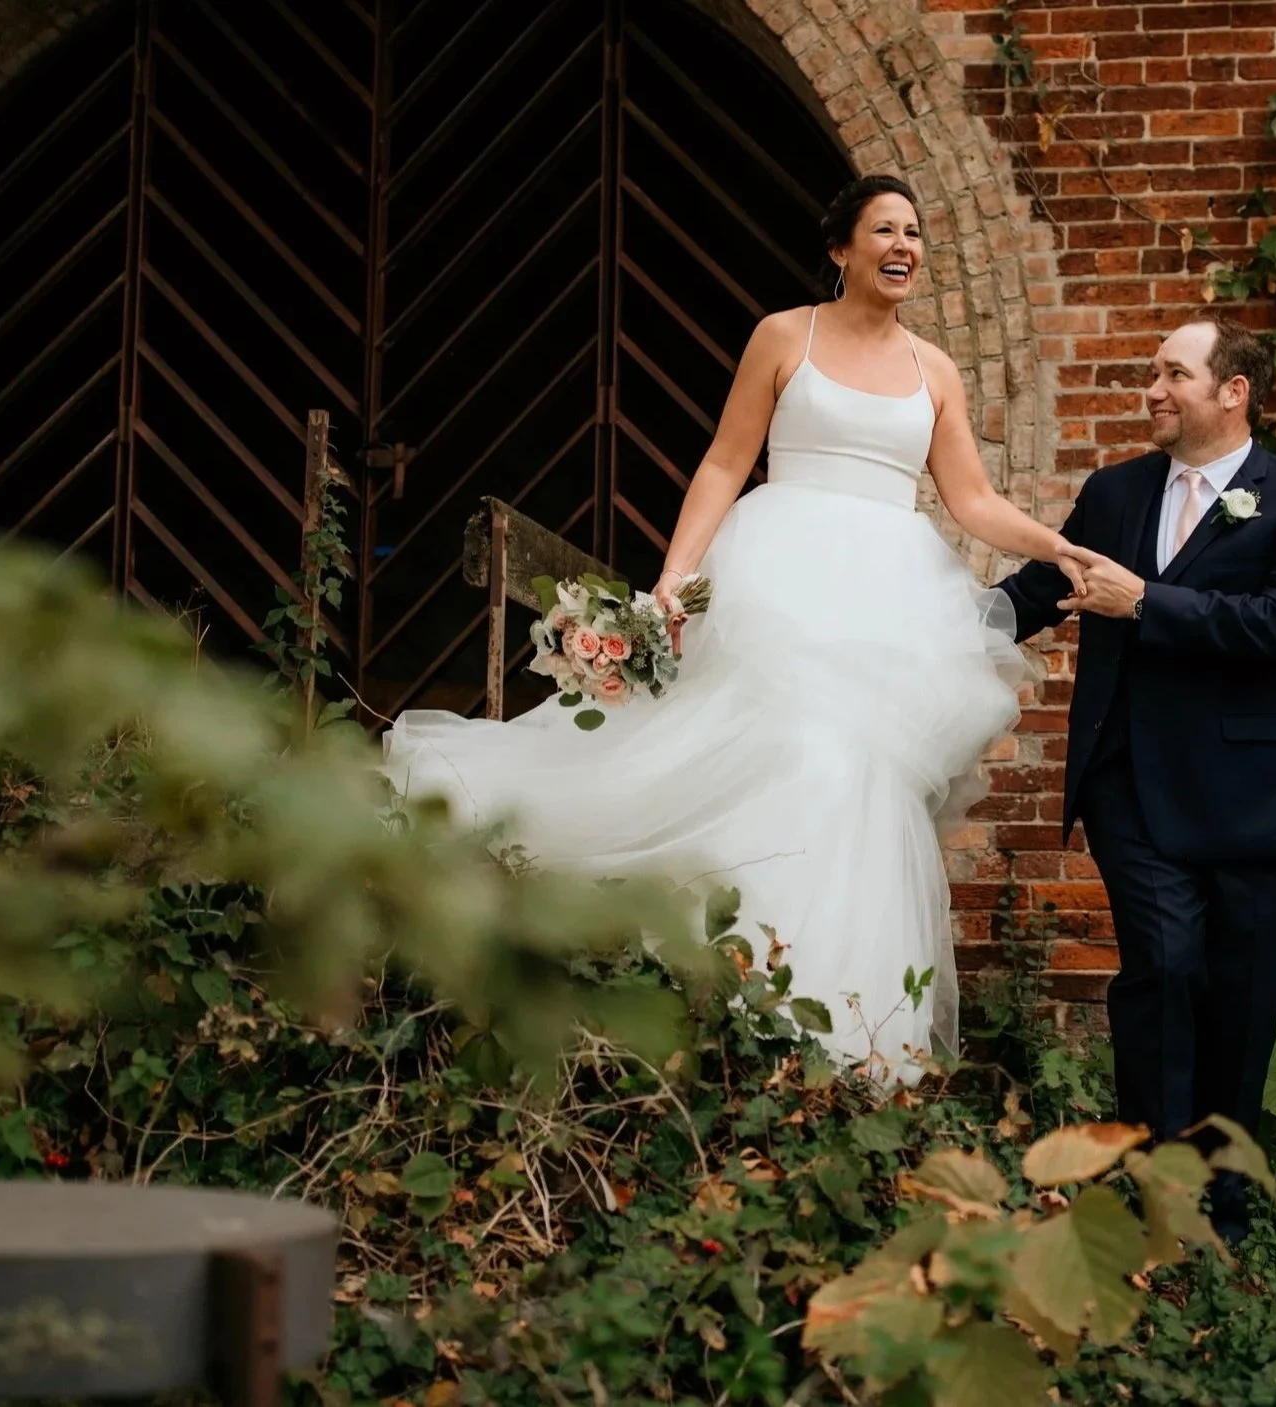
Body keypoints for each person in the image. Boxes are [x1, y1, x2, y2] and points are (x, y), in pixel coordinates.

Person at [382, 175, 1076, 1078]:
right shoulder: (786, 336)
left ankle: (844, 1041)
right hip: (781, 575)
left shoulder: (934, 370)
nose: (904, 246)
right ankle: (738, 1001)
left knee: (856, 781)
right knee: (783, 755)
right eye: (884, 230)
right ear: (841, 248)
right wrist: (676, 576)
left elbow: (973, 501)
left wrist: (1058, 546)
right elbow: (722, 462)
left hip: (887, 600)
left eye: (914, 232)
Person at [994, 315, 1276, 1243]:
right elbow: (1038, 592)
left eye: (1173, 375)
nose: (1152, 390)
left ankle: (1224, 1202)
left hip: (1243, 791)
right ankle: (1152, 1187)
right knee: (1162, 968)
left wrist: (1148, 600)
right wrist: (928, 628)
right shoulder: (1113, 492)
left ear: (1232, 392)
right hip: (1130, 785)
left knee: (1240, 993)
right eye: (1151, 374)